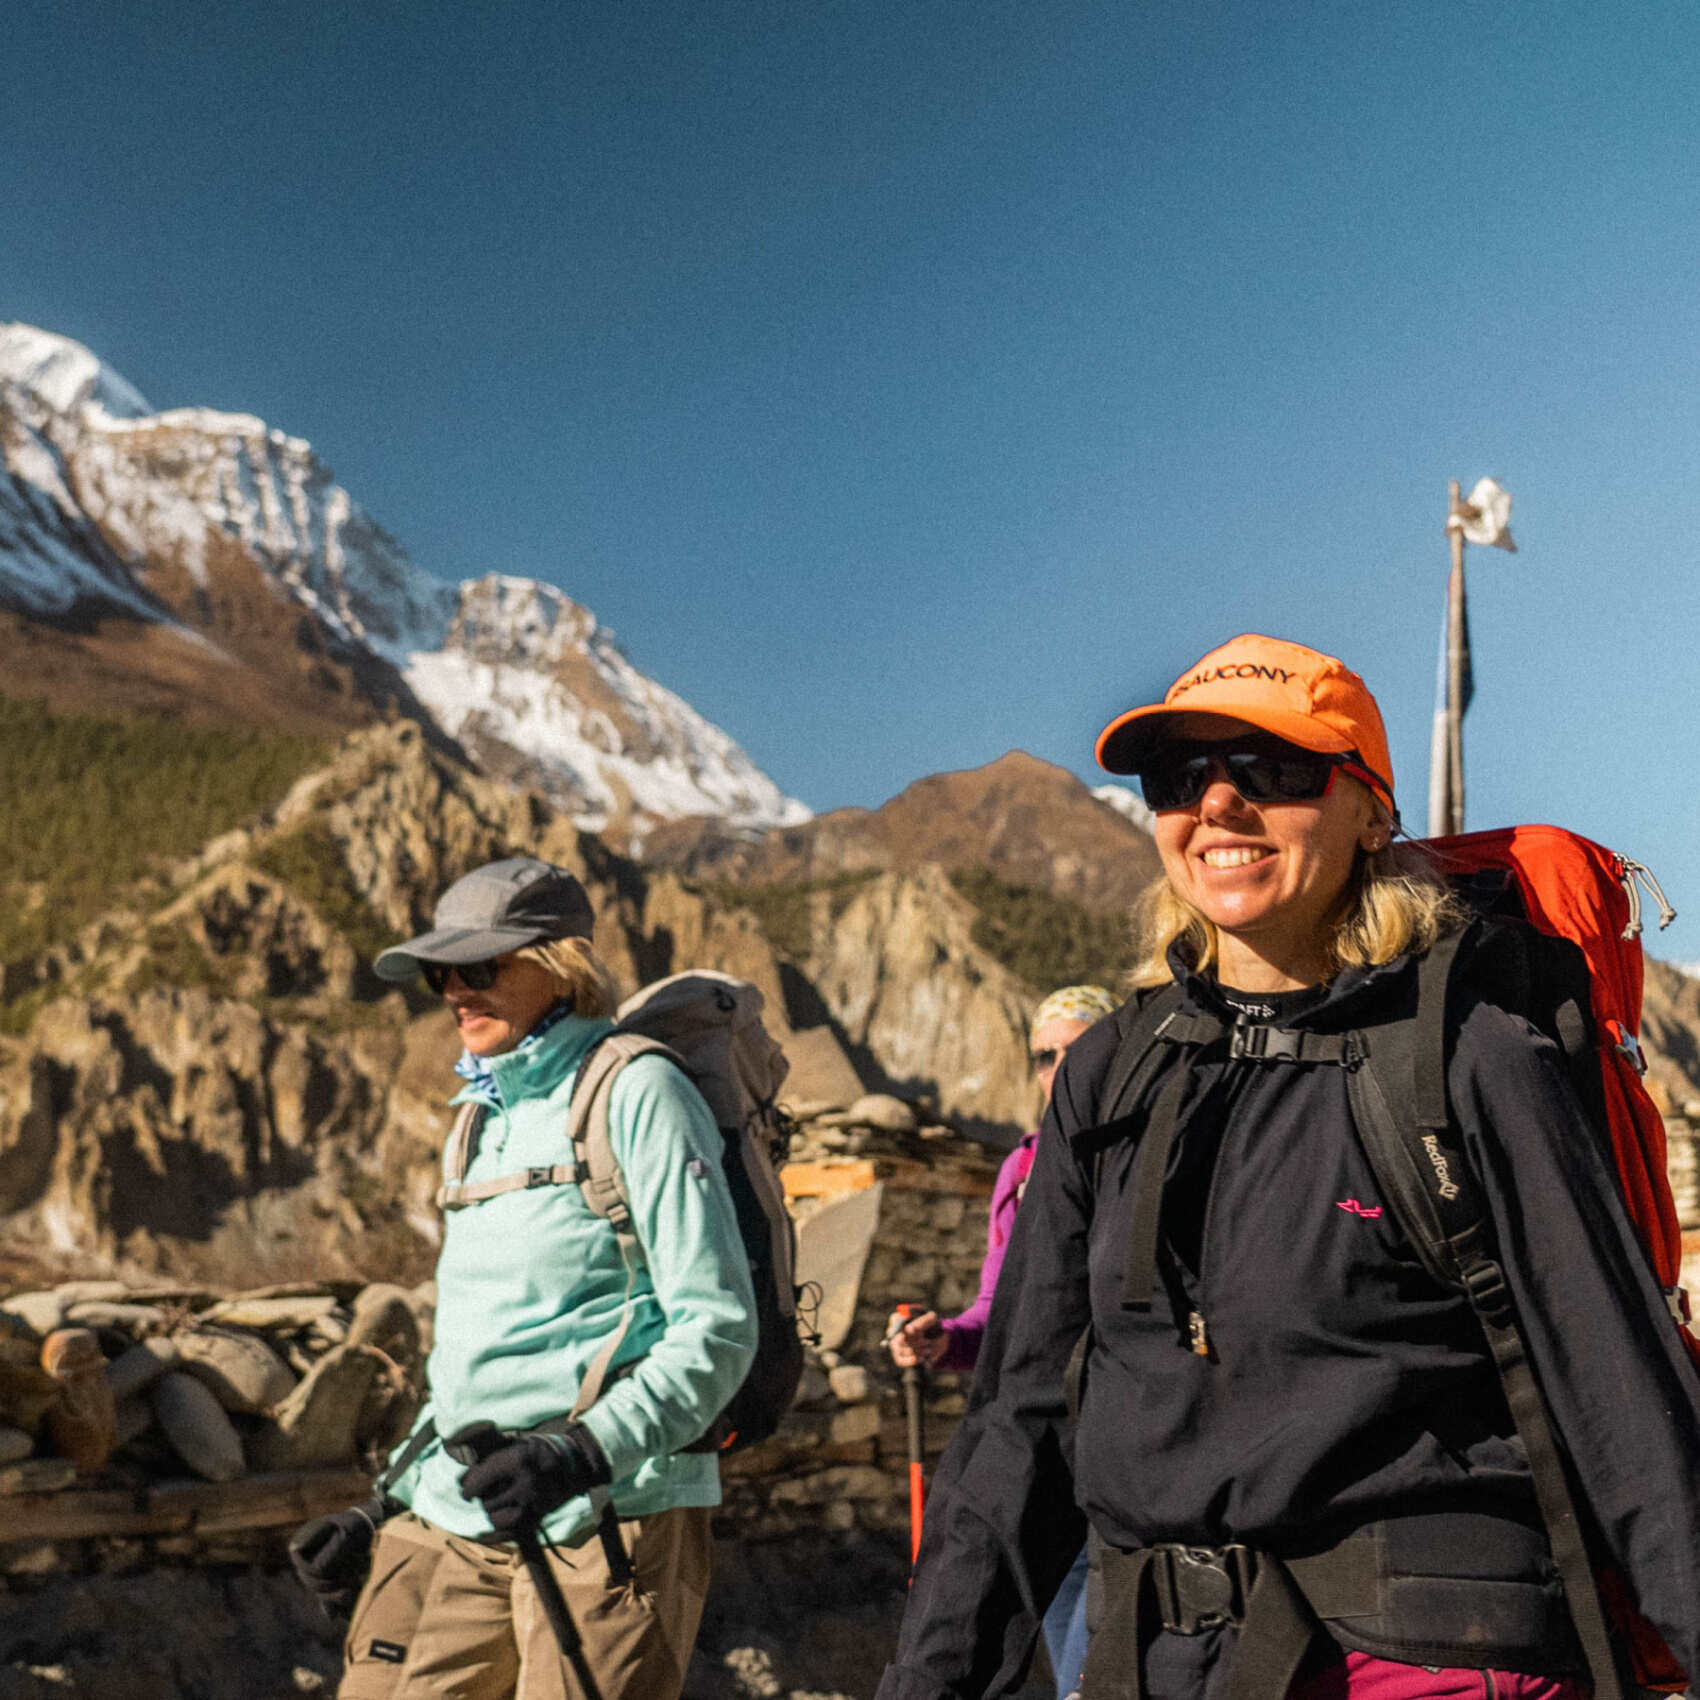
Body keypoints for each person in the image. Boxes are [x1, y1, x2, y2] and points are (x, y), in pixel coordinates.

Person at [875, 635, 1700, 1700]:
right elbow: (1017, 1424)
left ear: (1368, 812)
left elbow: (1619, 1399)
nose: (1217, 803)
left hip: (1421, 1662)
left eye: (1272, 769)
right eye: (1180, 778)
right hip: (1160, 1661)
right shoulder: (1109, 1076)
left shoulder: (1468, 1053)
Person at [289, 856, 758, 1700]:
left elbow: (717, 1329)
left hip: (610, 1514)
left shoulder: (639, 1092)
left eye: (479, 968)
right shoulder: (477, 1118)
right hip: (463, 1511)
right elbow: (480, 1353)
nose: (455, 993)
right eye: (441, 974)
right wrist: (385, 1505)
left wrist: (576, 1454)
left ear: (558, 965)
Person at [887, 984, 1119, 1700]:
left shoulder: (1140, 1153)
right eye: (1042, 1057)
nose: (1056, 1070)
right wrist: (944, 1340)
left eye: (1073, 1051)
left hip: (1129, 1452)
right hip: (1047, 1456)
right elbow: (1004, 1312)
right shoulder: (1021, 1170)